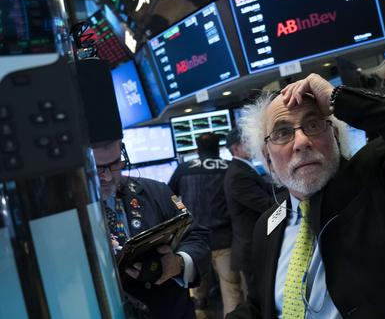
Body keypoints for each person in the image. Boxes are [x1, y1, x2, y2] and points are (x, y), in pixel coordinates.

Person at [227, 73, 385, 319]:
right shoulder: (267, 224)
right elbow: (259, 306)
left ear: (335, 137)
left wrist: (339, 98)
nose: (302, 141)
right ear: (268, 160)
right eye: (283, 133)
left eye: (314, 124)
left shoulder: (377, 180)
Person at [93, 139, 211, 319]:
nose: (108, 177)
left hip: (168, 310)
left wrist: (177, 264)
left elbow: (196, 236)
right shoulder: (65, 216)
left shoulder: (158, 190)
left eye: (115, 164)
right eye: (98, 168)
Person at [169, 133, 245, 316]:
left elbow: (170, 196)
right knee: (231, 291)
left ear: (197, 148)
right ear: (217, 147)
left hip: (195, 242)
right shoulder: (230, 167)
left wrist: (183, 210)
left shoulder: (184, 169)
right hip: (225, 240)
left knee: (197, 297)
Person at [224, 128, 276, 293]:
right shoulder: (237, 174)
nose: (253, 146)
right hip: (251, 248)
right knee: (259, 297)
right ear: (236, 148)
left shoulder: (244, 168)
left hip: (256, 245)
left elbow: (267, 189)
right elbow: (265, 204)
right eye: (248, 142)